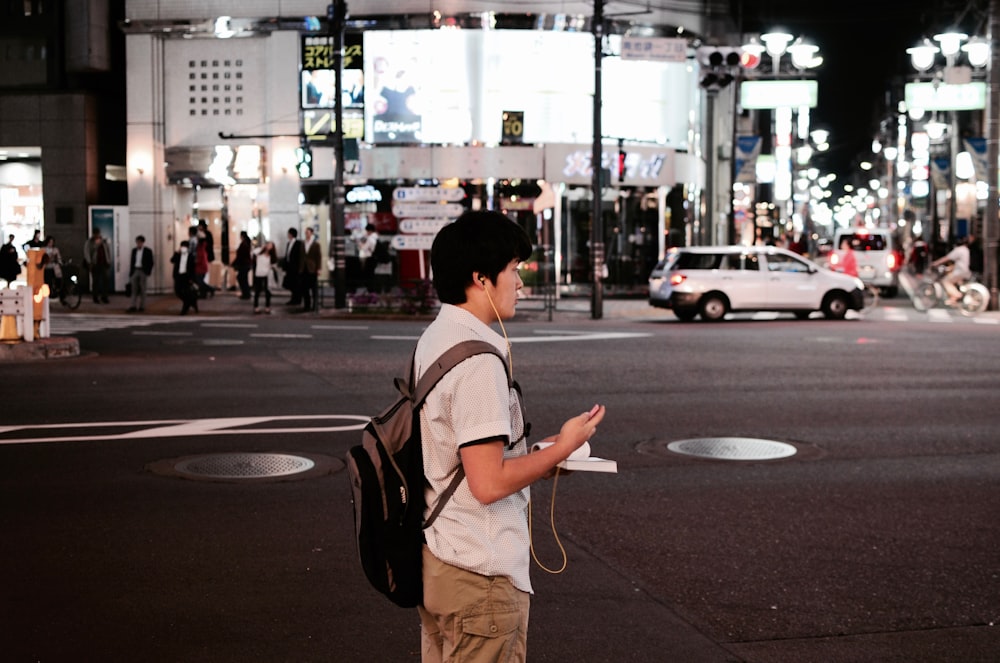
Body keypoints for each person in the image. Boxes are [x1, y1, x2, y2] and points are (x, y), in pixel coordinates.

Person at [414, 210, 606, 663]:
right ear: (481, 278)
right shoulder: (479, 362)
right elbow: (488, 483)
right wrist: (563, 447)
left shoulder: (437, 335)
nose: (520, 283)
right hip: (481, 578)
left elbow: (463, 453)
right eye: (514, 269)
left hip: (442, 560)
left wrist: (542, 455)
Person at [931, 237, 972, 306]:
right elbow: (959, 262)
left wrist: (935, 263)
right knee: (955, 282)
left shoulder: (959, 250)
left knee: (946, 281)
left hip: (960, 272)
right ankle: (954, 298)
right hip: (965, 271)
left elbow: (947, 258)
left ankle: (956, 295)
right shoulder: (966, 250)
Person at [127, 235, 154, 313]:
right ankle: (133, 306)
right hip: (135, 270)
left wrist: (148, 272)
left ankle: (142, 306)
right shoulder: (134, 250)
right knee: (134, 289)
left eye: (140, 242)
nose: (138, 244)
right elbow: (132, 262)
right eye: (137, 242)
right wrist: (131, 273)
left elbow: (151, 262)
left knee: (143, 289)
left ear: (143, 242)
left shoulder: (148, 251)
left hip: (143, 271)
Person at [170, 240, 198, 315]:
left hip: (186, 276)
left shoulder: (191, 256)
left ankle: (185, 309)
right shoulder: (178, 255)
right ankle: (191, 302)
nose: (183, 248)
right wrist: (176, 253)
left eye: (185, 247)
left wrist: (192, 278)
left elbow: (192, 268)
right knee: (177, 291)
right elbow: (172, 260)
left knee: (186, 292)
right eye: (182, 246)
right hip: (178, 275)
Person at [84, 229, 111, 303]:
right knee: (96, 281)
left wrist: (109, 260)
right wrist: (89, 262)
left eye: (98, 234)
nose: (97, 235)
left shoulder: (104, 241)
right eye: (95, 234)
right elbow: (87, 252)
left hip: (104, 264)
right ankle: (95, 297)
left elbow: (108, 251)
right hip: (95, 264)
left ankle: (104, 297)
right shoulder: (89, 242)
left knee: (105, 280)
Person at [252, 240, 277, 314]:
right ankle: (256, 307)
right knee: (257, 291)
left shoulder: (272, 256)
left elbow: (274, 265)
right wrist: (261, 247)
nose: (269, 246)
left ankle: (267, 307)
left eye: (271, 245)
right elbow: (253, 252)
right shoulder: (260, 252)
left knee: (268, 291)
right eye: (268, 245)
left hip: (267, 275)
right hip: (259, 273)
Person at [301, 227, 322, 312]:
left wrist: (319, 268)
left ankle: (315, 306)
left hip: (312, 268)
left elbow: (318, 257)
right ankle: (307, 306)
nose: (307, 234)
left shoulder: (316, 244)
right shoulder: (303, 243)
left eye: (308, 232)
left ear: (312, 233)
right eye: (305, 233)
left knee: (314, 289)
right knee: (305, 289)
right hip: (304, 268)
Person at [282, 227, 304, 306]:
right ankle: (293, 299)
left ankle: (297, 299)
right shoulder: (288, 243)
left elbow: (300, 256)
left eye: (289, 233)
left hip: (295, 267)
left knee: (296, 284)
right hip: (289, 267)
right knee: (291, 284)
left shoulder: (298, 243)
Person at [357, 223, 378, 289]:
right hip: (374, 258)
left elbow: (364, 248)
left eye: (366, 231)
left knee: (367, 274)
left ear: (370, 231)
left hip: (368, 258)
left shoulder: (370, 239)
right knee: (371, 274)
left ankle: (368, 289)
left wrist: (360, 244)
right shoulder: (376, 237)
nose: (366, 232)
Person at [233, 231, 253, 300]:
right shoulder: (246, 243)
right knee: (243, 279)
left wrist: (234, 263)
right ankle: (246, 293)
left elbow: (240, 256)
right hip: (245, 264)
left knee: (242, 278)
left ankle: (246, 293)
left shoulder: (244, 244)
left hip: (244, 264)